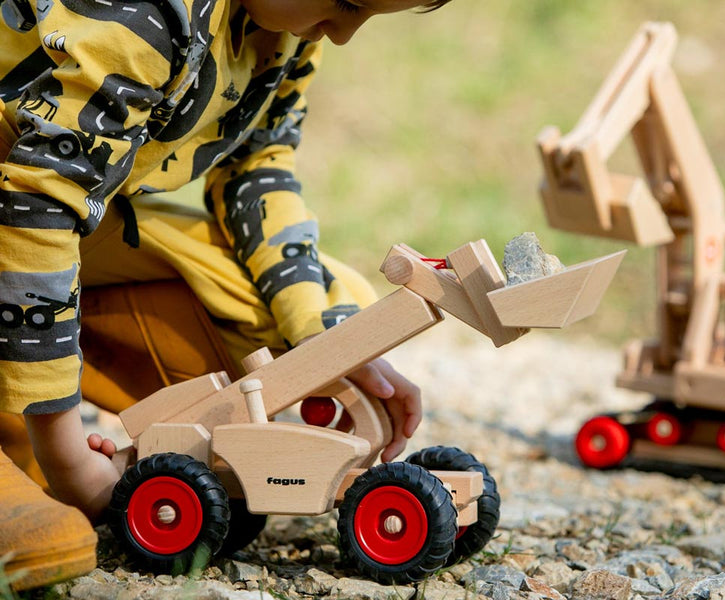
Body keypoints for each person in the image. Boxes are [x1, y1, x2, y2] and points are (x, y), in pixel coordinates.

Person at [0, 0, 451, 590]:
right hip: (25, 201)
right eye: (347, 2)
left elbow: (256, 166)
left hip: (52, 207)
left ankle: (34, 374)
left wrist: (328, 343)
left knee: (316, 301)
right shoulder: (152, 12)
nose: (344, 34)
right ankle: (21, 443)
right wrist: (65, 455)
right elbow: (39, 206)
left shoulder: (285, 30)